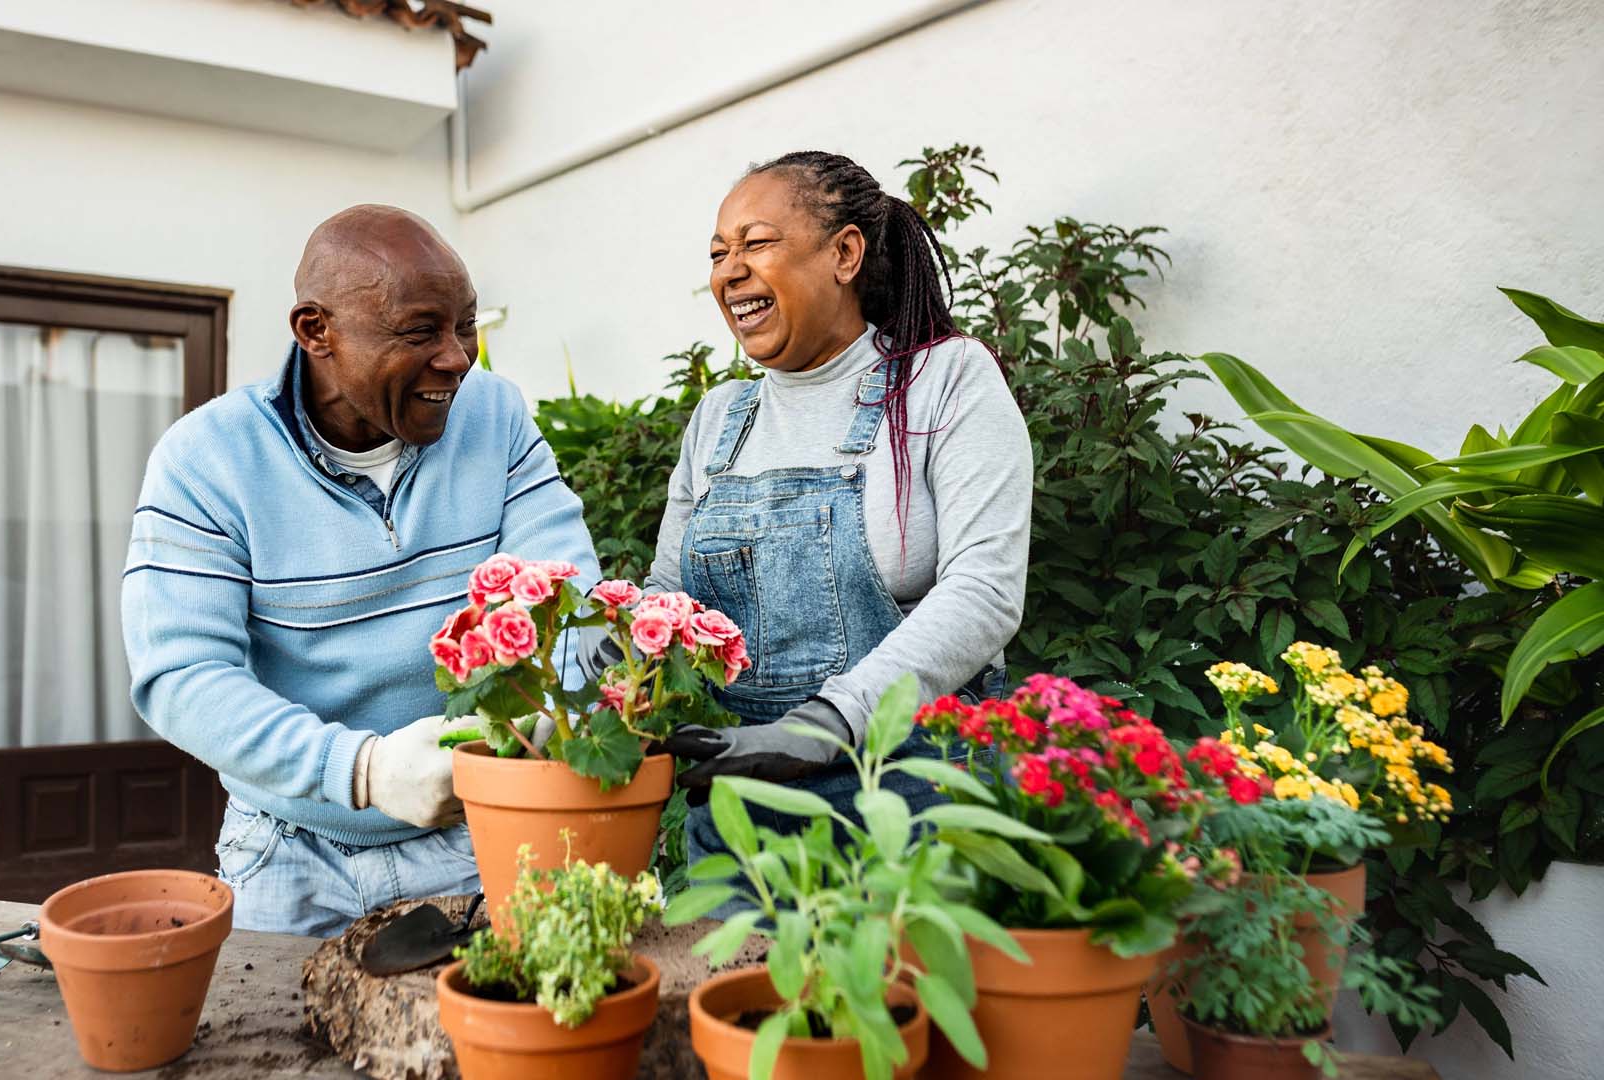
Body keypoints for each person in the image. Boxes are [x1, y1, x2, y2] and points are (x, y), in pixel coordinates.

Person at [122, 205, 597, 937]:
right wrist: (363, 770)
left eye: (465, 325)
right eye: (420, 332)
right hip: (288, 853)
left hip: (476, 832)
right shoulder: (207, 460)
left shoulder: (495, 417)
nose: (457, 358)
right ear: (317, 331)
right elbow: (182, 676)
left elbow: (569, 602)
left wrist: (537, 723)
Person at [648, 151, 1032, 857]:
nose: (729, 271)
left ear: (845, 253)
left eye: (756, 243)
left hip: (918, 794)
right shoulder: (718, 419)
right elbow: (666, 602)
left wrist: (826, 723)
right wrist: (585, 682)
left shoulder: (944, 380)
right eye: (716, 253)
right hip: (742, 809)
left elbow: (986, 592)